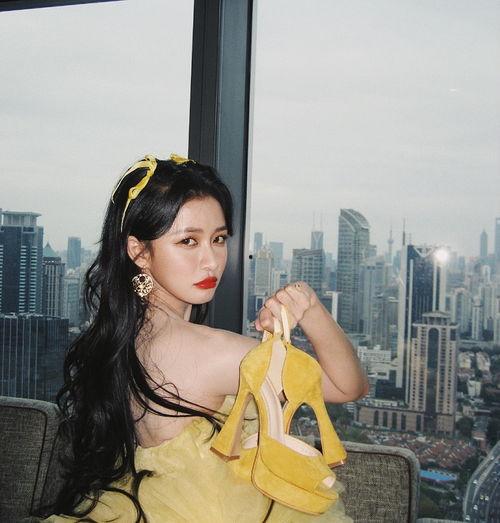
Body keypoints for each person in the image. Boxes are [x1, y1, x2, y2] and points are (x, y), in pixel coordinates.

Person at [43, 154, 368, 523]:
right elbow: (348, 386)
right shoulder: (213, 352)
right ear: (139, 252)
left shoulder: (124, 336)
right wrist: (309, 306)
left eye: (218, 239)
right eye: (188, 241)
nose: (211, 261)